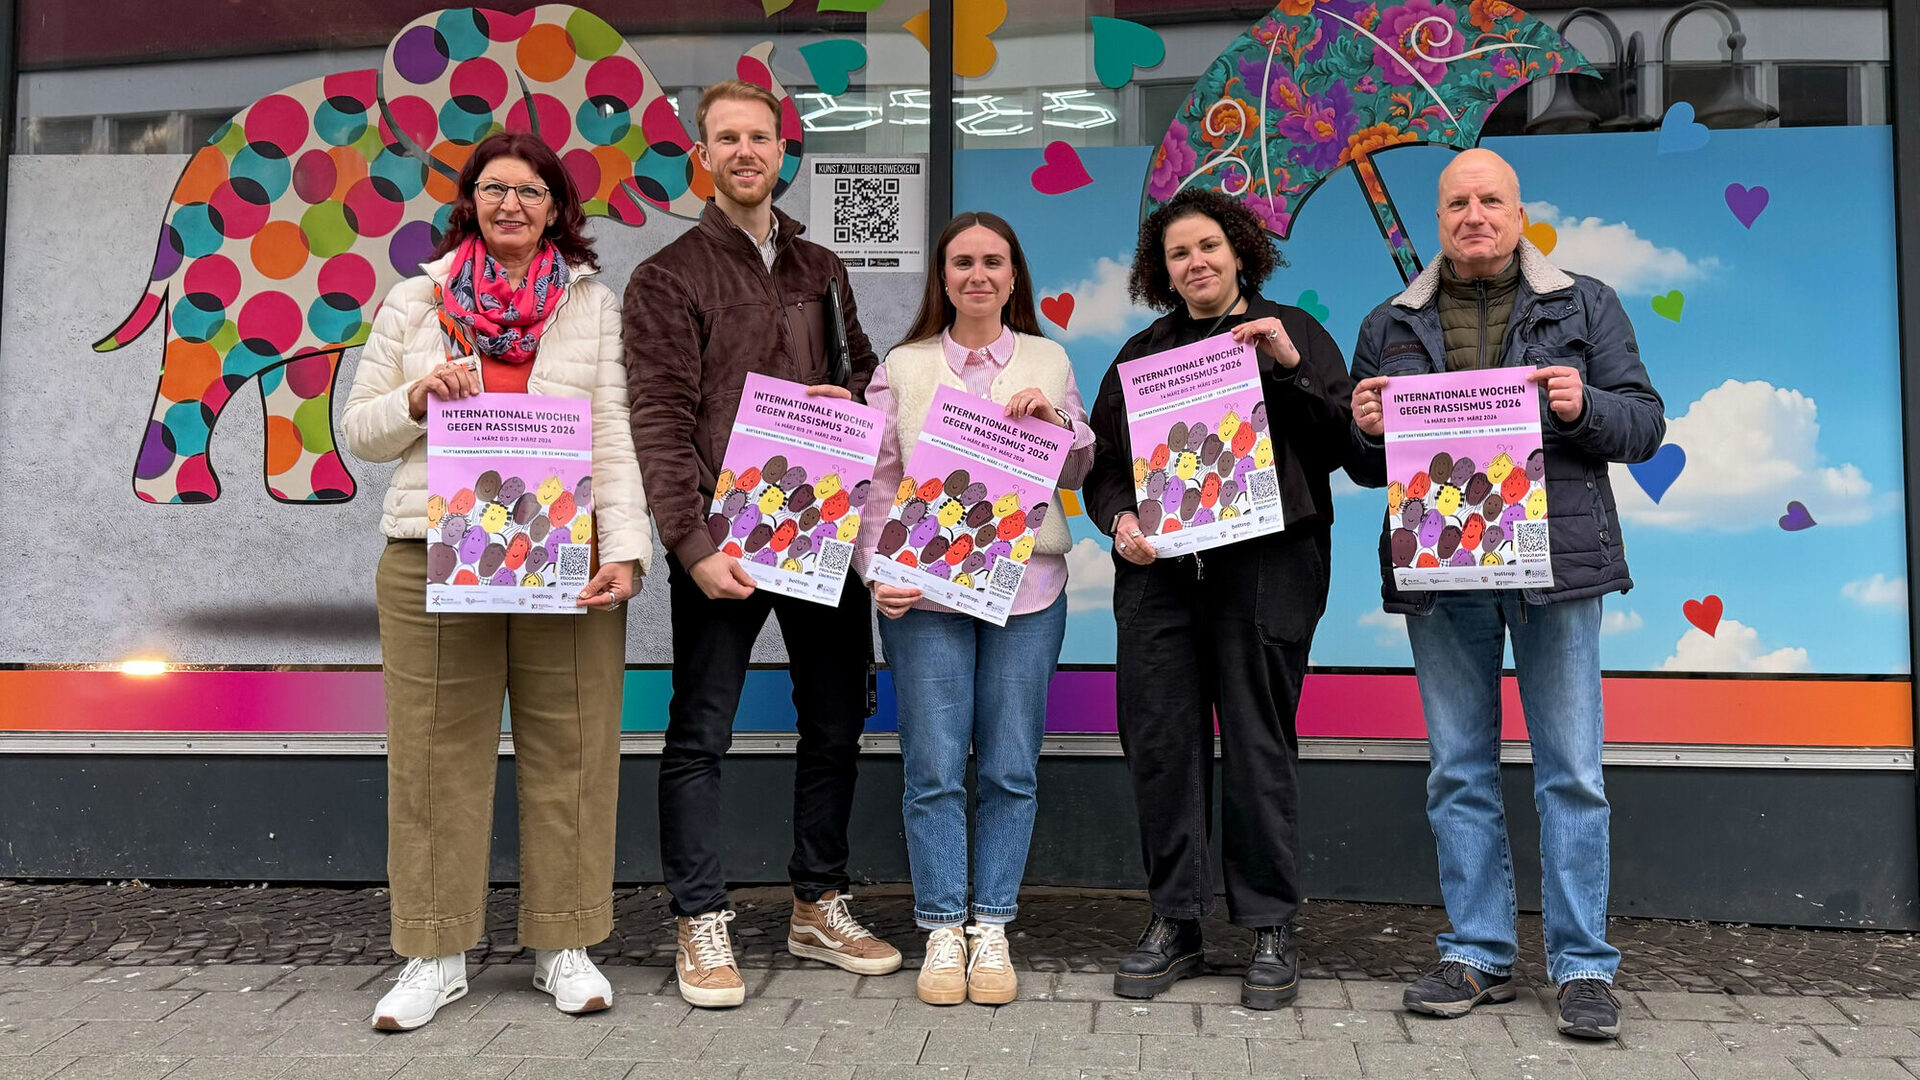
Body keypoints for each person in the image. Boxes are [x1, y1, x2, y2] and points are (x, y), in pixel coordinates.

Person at [1346, 148, 1665, 1040]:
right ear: (1438, 219)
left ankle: (1583, 967)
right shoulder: (1388, 322)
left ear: (1520, 214)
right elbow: (1367, 467)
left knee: (1573, 772)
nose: (1473, 216)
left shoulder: (1585, 305)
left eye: (1491, 200)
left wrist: (1582, 405)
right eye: (1457, 203)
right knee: (1457, 770)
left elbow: (1644, 423)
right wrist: (1362, 430)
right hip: (1443, 571)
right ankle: (1478, 953)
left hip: (1556, 570)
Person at [341, 131, 648, 1030]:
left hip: (566, 556)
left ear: (557, 209)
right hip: (432, 557)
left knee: (574, 752)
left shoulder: (592, 304)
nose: (511, 204)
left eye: (530, 191)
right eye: (493, 188)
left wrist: (625, 550)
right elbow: (358, 431)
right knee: (433, 759)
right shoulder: (416, 300)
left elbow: (614, 432)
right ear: (469, 201)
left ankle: (566, 946)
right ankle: (433, 955)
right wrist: (415, 398)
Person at [623, 79, 901, 1009]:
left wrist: (849, 401)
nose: (746, 152)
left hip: (822, 531)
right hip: (725, 539)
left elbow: (866, 378)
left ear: (783, 153)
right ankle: (699, 917)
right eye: (727, 138)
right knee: (701, 731)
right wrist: (690, 542)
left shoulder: (822, 266)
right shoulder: (667, 276)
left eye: (761, 138)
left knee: (836, 721)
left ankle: (817, 902)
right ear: (702, 156)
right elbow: (659, 421)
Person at [1083, 187, 1354, 1010]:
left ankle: (1270, 924)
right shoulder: (1141, 354)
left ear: (1239, 249)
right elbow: (1106, 468)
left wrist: (1291, 367)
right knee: (1162, 744)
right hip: (1160, 578)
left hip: (1269, 570)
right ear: (1161, 271)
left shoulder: (1290, 332)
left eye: (1208, 246)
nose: (1196, 262)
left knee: (1258, 743)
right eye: (1178, 254)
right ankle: (1176, 920)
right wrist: (1120, 519)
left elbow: (1346, 443)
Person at [854, 212, 1094, 1006]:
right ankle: (940, 929)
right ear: (943, 276)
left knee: (1009, 767)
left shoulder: (1049, 359)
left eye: (994, 261)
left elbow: (1082, 466)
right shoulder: (904, 366)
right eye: (963, 262)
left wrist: (1058, 423)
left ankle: (991, 925)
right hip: (925, 596)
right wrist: (875, 571)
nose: (979, 275)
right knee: (932, 768)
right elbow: (876, 482)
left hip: (1029, 594)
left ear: (1014, 274)